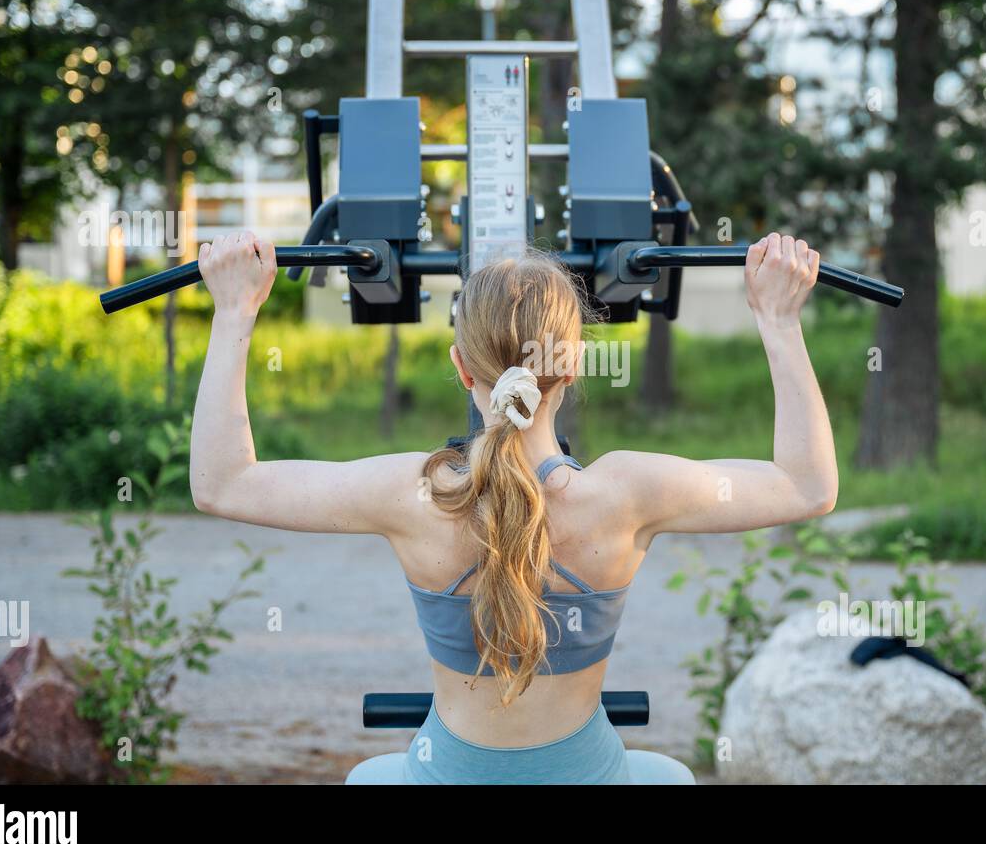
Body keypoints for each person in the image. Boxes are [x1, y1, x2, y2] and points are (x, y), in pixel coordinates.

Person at [190, 230, 838, 784]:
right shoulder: (627, 492)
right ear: (575, 361)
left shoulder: (412, 493)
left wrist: (235, 312)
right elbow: (807, 486)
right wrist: (779, 320)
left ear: (460, 367)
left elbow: (222, 482)